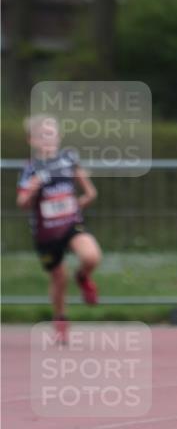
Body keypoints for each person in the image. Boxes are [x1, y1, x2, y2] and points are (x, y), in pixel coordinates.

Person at [17, 115, 102, 344]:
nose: (48, 139)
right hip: (46, 233)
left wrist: (78, 203)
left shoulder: (68, 160)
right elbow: (22, 202)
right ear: (31, 140)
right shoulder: (30, 169)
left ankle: (83, 276)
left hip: (70, 224)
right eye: (42, 136)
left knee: (91, 256)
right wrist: (32, 190)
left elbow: (90, 193)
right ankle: (61, 321)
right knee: (59, 277)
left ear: (59, 136)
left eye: (51, 134)